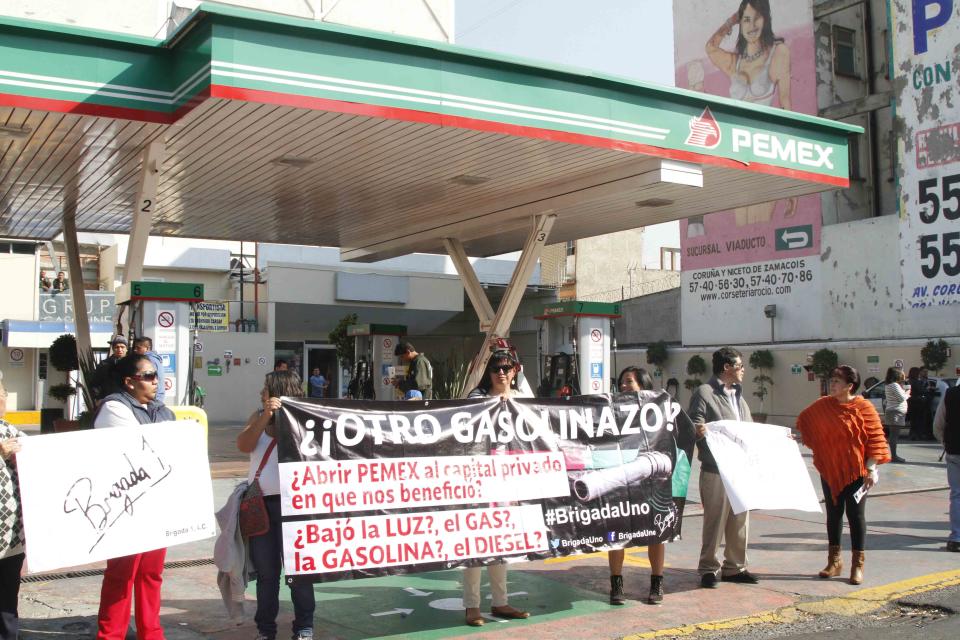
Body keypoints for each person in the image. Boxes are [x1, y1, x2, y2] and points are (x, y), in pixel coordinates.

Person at [93, 353, 176, 640]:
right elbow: (138, 451)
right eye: (149, 376)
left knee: (151, 573)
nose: (156, 382)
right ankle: (110, 634)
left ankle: (151, 632)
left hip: (157, 506)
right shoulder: (114, 408)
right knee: (122, 574)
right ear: (129, 382)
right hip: (124, 509)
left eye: (156, 375)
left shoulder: (161, 410)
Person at [237, 371, 315, 640]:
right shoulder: (258, 415)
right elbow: (244, 444)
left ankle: (304, 627)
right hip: (263, 508)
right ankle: (266, 630)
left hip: (296, 507)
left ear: (279, 391)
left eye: (266, 389)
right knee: (267, 574)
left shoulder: (304, 420)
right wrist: (265, 417)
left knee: (300, 574)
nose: (261, 393)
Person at [796, 365, 891, 585]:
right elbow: (805, 424)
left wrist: (871, 468)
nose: (832, 384)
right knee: (833, 514)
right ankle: (834, 561)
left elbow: (876, 440)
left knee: (856, 516)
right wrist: (799, 437)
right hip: (830, 469)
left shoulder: (864, 407)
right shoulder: (823, 405)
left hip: (857, 472)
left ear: (850, 386)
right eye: (832, 380)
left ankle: (857, 565)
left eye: (837, 381)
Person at [705, 0, 796, 225]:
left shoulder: (778, 52)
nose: (751, 25)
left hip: (764, 154)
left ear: (766, 20)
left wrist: (792, 177)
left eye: (757, 18)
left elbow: (786, 108)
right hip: (738, 156)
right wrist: (730, 21)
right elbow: (711, 48)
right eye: (746, 19)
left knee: (760, 226)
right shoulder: (734, 62)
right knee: (743, 229)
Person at [461, 350, 530, 626]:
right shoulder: (476, 399)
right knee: (477, 541)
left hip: (509, 478)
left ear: (515, 371)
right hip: (479, 477)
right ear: (488, 373)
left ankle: (500, 602)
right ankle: (472, 606)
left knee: (502, 540)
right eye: (496, 368)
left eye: (506, 368)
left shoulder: (523, 400)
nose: (501, 373)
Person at [689, 347, 758, 588]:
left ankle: (735, 567)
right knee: (715, 520)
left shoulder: (738, 396)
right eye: (740, 367)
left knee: (740, 520)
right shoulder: (704, 393)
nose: (743, 371)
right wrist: (700, 431)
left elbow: (749, 429)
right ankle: (708, 568)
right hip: (716, 470)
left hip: (739, 469)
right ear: (727, 367)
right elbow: (693, 425)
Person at [608, 366, 668, 605]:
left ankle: (657, 583)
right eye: (621, 382)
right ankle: (616, 584)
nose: (624, 386)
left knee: (656, 532)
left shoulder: (657, 410)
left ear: (643, 385)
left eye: (629, 382)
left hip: (651, 479)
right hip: (621, 478)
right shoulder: (610, 410)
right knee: (616, 532)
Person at [0, 378, 27, 640]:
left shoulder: (11, 430)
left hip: (11, 537)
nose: (1, 399)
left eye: (3, 394)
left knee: (8, 600)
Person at [933, 384, 960, 552]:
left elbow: (938, 424)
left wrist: (945, 442)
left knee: (957, 495)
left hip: (954, 450)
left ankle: (957, 537)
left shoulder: (951, 394)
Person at [90, 336, 129, 403]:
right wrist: (98, 398)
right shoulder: (104, 364)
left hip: (127, 401)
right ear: (113, 349)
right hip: (107, 400)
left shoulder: (131, 364)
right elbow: (95, 383)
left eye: (122, 347)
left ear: (126, 349)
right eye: (117, 347)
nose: (120, 349)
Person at [882, 367, 909, 463]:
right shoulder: (894, 385)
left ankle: (894, 455)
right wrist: (908, 393)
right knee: (894, 435)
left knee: (894, 435)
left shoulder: (890, 385)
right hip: (895, 412)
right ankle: (894, 456)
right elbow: (902, 398)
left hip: (894, 411)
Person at [133, 336, 166, 405]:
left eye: (138, 348)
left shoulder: (149, 360)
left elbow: (149, 380)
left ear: (147, 348)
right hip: (155, 398)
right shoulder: (154, 359)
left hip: (152, 400)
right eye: (135, 347)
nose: (135, 350)